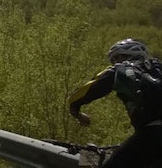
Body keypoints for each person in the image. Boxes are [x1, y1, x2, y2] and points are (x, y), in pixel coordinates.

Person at [68, 38, 162, 167]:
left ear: (129, 56)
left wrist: (76, 111)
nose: (115, 62)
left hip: (152, 134)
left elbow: (81, 94)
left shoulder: (121, 69)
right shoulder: (159, 68)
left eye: (117, 57)